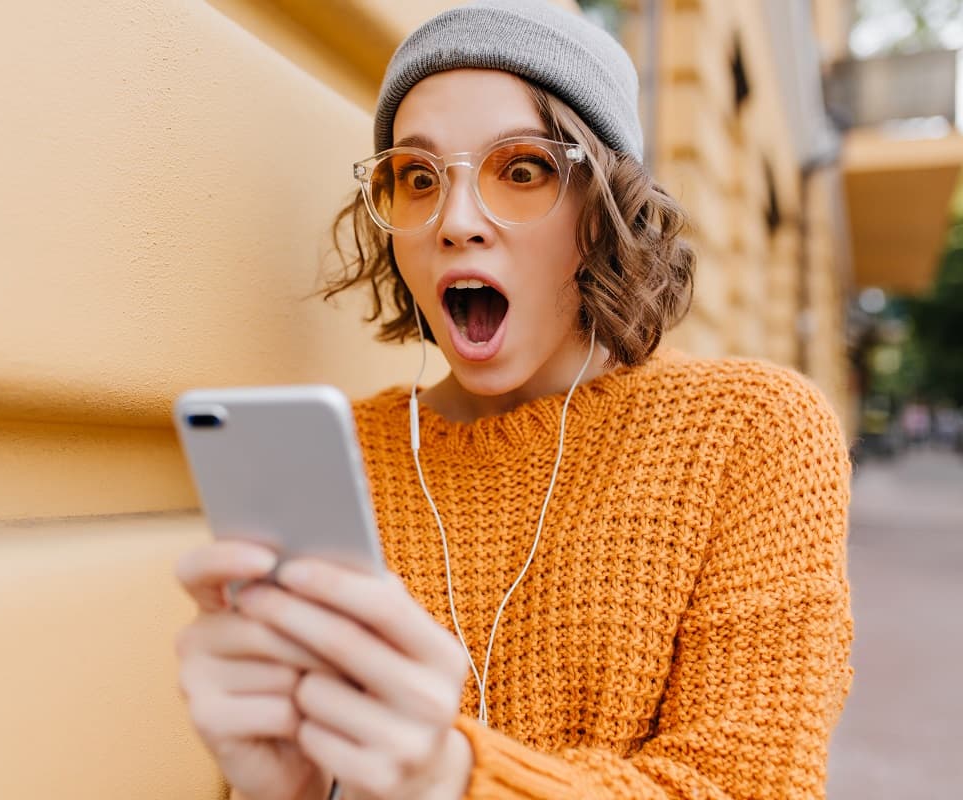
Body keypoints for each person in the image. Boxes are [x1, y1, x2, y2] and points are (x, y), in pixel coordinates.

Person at [174, 2, 853, 798]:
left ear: (606, 208)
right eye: (419, 178)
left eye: (521, 169)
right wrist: (282, 790)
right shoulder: (346, 456)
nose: (456, 222)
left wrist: (452, 777)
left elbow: (746, 788)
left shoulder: (753, 431)